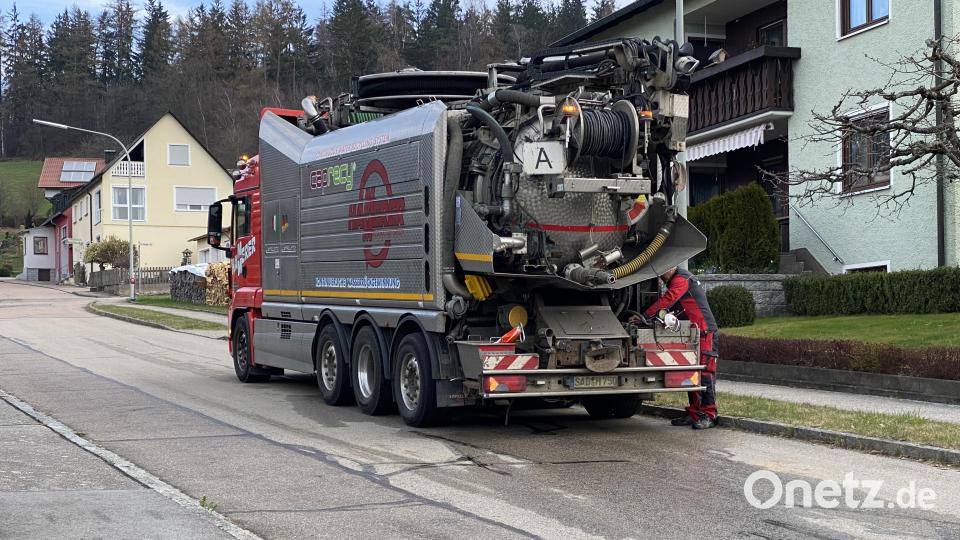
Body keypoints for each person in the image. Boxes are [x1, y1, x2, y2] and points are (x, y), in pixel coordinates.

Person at [643, 266, 719, 429]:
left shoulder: (681, 279)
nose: (661, 277)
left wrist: (645, 315)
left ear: (672, 267)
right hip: (694, 333)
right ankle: (694, 413)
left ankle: (709, 414)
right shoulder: (678, 279)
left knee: (705, 374)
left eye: (662, 272)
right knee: (691, 373)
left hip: (705, 333)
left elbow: (668, 300)